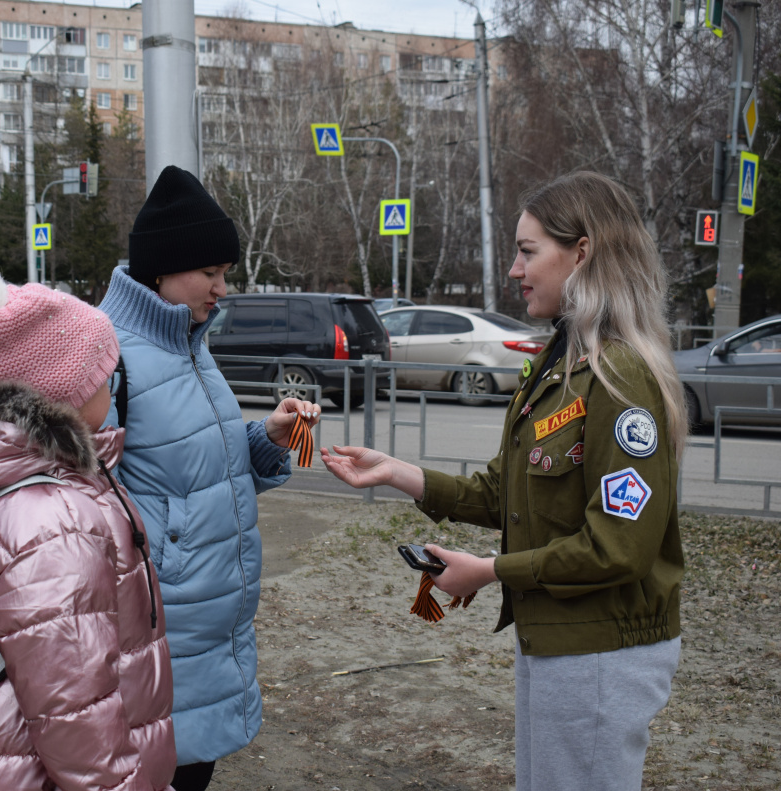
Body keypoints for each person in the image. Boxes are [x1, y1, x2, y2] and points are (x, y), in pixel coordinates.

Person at [321, 171, 686, 791]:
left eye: (527, 251)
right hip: (563, 642)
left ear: (583, 252)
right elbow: (504, 494)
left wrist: (488, 570)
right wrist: (398, 473)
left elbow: (617, 549)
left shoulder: (618, 376)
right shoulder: (560, 362)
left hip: (597, 654)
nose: (514, 271)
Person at [99, 165, 321, 791]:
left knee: (192, 770)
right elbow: (78, 505)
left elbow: (192, 470)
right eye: (213, 273)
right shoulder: (107, 355)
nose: (224, 288)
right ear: (165, 269)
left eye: (226, 274)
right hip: (158, 625)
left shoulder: (189, 343)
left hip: (205, 623)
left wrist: (265, 438)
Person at [0, 268, 176, 791]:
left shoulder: (52, 489)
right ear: (69, 394)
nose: (113, 385)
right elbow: (75, 712)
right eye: (106, 374)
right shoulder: (53, 523)